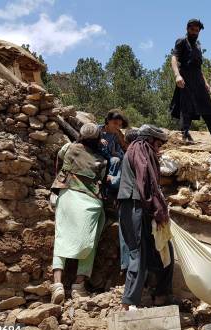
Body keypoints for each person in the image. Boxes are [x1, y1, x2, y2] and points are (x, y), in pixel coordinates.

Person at [49, 123, 108, 304]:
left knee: (61, 236)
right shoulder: (102, 159)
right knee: (89, 240)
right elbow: (103, 179)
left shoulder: (69, 148)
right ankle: (78, 284)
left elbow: (59, 160)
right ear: (98, 139)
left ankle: (57, 285)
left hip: (66, 194)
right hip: (90, 200)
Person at [118, 124, 174, 310]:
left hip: (132, 205)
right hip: (137, 206)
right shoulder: (142, 148)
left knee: (161, 251)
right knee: (138, 254)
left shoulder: (134, 149)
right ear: (150, 139)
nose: (158, 149)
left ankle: (159, 295)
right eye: (158, 144)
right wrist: (157, 208)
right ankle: (129, 302)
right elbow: (146, 181)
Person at [169, 18, 211, 144]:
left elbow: (199, 67)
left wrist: (205, 82)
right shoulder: (181, 42)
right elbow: (174, 58)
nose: (194, 32)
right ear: (187, 29)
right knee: (186, 107)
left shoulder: (198, 46)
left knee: (208, 107)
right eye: (192, 29)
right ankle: (184, 135)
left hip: (198, 79)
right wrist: (177, 75)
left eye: (197, 30)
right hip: (185, 77)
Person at [118, 129, 140, 274]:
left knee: (125, 237)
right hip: (131, 200)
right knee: (133, 241)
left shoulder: (127, 154)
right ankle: (132, 273)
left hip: (124, 199)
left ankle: (127, 269)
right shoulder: (135, 154)